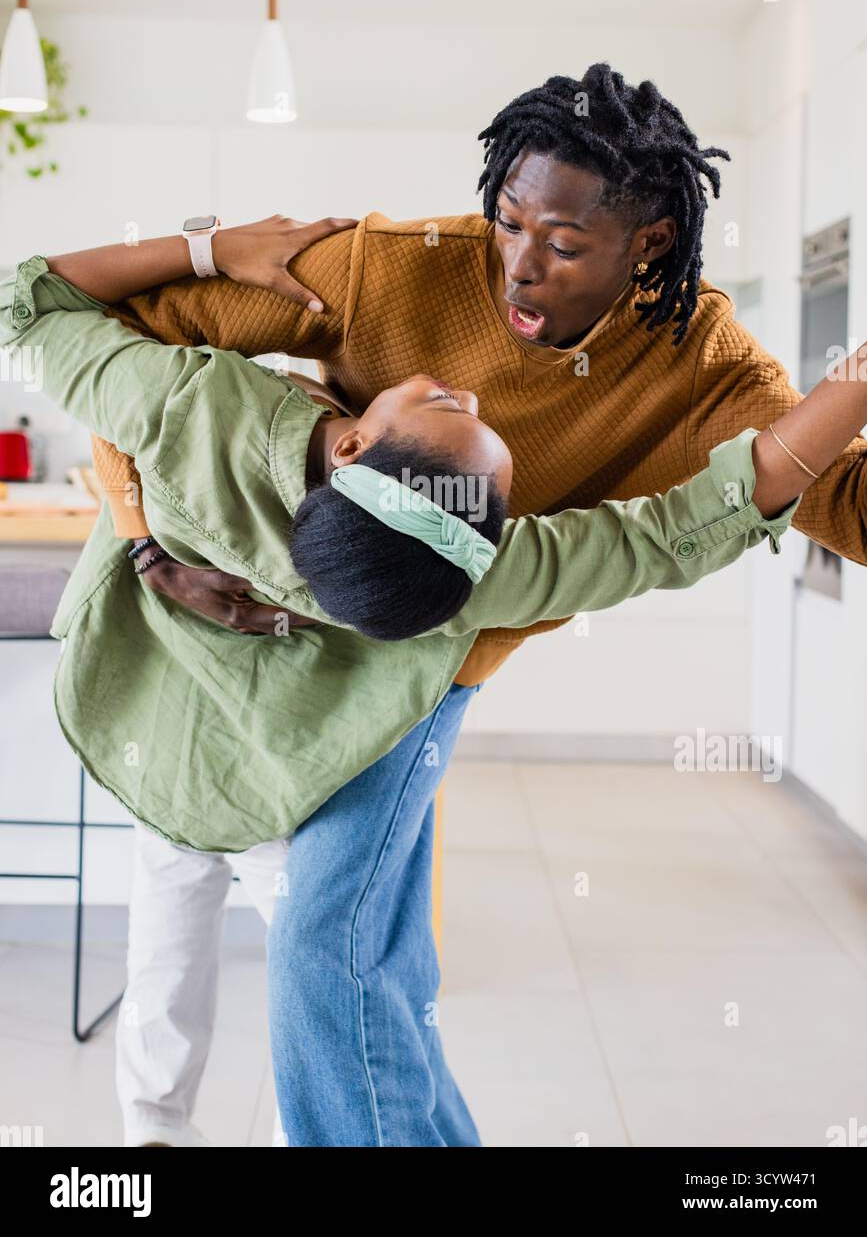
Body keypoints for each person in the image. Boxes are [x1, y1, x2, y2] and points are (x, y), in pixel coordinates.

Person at [4, 247, 867, 1144]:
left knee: (216, 961)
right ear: (349, 447)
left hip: (191, 747)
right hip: (246, 763)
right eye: (457, 412)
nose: (474, 395)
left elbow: (30, 307)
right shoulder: (483, 580)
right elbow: (682, 527)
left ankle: (159, 1136)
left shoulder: (201, 416)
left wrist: (208, 246)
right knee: (321, 976)